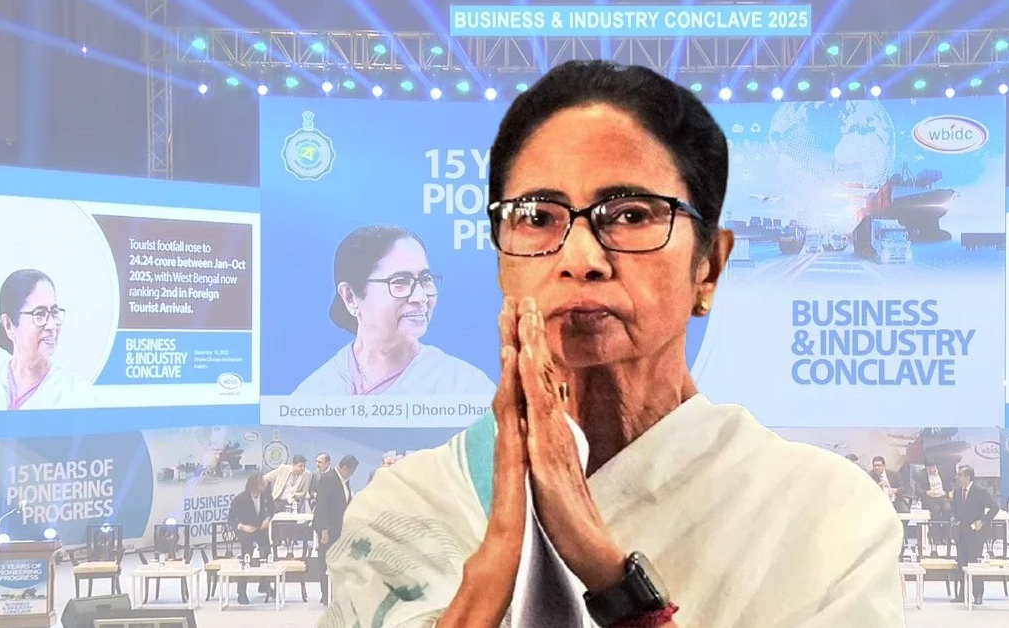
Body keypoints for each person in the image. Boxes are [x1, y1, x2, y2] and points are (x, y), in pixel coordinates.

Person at [319, 60, 904, 628]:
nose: (581, 258)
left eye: (630, 215)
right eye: (537, 217)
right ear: (501, 258)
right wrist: (493, 569)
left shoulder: (824, 517)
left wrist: (610, 579)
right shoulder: (409, 509)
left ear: (709, 267)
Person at [293, 225, 496, 398]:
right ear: (350, 297)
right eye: (400, 282)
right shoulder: (315, 394)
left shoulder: (466, 388)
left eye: (425, 279)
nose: (421, 297)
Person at [0, 269, 92, 410]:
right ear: (9, 325)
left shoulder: (76, 393)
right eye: (39, 314)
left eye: (54, 312)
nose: (52, 326)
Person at [314, 454, 359, 606]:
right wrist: (324, 530)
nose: (352, 474)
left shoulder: (345, 481)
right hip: (328, 529)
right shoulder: (328, 479)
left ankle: (337, 593)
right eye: (351, 471)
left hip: (340, 529)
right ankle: (325, 595)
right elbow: (322, 506)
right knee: (326, 561)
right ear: (344, 468)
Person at [952, 465, 998, 605]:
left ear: (967, 477)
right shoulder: (957, 492)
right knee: (962, 563)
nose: (957, 478)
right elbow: (955, 511)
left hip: (975, 534)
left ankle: (978, 594)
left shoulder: (979, 491)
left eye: (960, 475)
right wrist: (954, 520)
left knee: (975, 563)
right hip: (961, 533)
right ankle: (962, 594)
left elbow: (994, 508)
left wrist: (983, 521)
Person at [227, 474, 276, 605]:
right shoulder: (240, 499)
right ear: (255, 485)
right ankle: (241, 593)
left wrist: (268, 519)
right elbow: (231, 519)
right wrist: (242, 527)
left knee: (267, 556)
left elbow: (272, 510)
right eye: (262, 483)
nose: (265, 485)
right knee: (246, 560)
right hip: (247, 531)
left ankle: (265, 585)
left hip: (262, 530)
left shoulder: (266, 495)